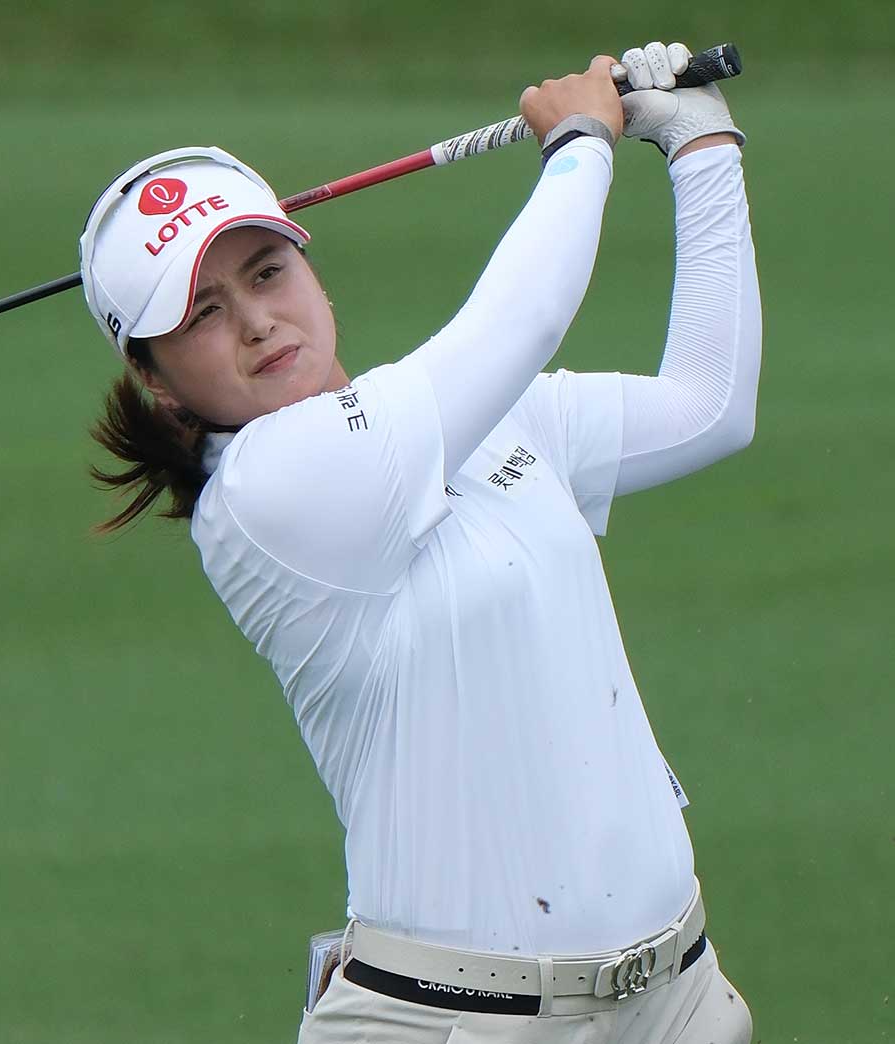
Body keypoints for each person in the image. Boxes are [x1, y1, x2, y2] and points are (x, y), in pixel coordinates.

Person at [77, 40, 762, 1044]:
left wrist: (701, 148)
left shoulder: (481, 418)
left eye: (267, 272)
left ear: (308, 265)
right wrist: (579, 143)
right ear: (156, 380)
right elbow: (519, 320)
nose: (257, 322)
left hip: (675, 1004)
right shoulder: (265, 492)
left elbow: (710, 407)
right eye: (202, 314)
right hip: (451, 1024)